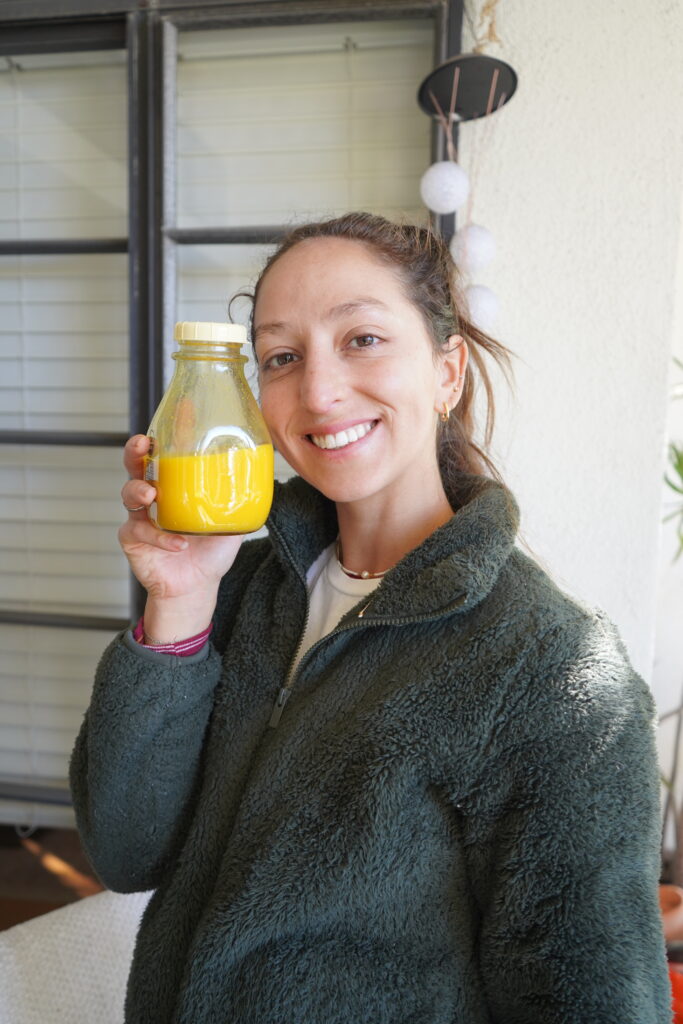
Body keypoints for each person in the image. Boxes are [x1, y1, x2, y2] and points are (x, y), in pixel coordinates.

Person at [69, 211, 671, 1023]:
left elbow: (588, 999)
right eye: (281, 357)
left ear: (447, 370)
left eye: (362, 339)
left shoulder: (550, 669)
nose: (317, 390)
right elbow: (124, 850)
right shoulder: (244, 588)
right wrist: (178, 599)